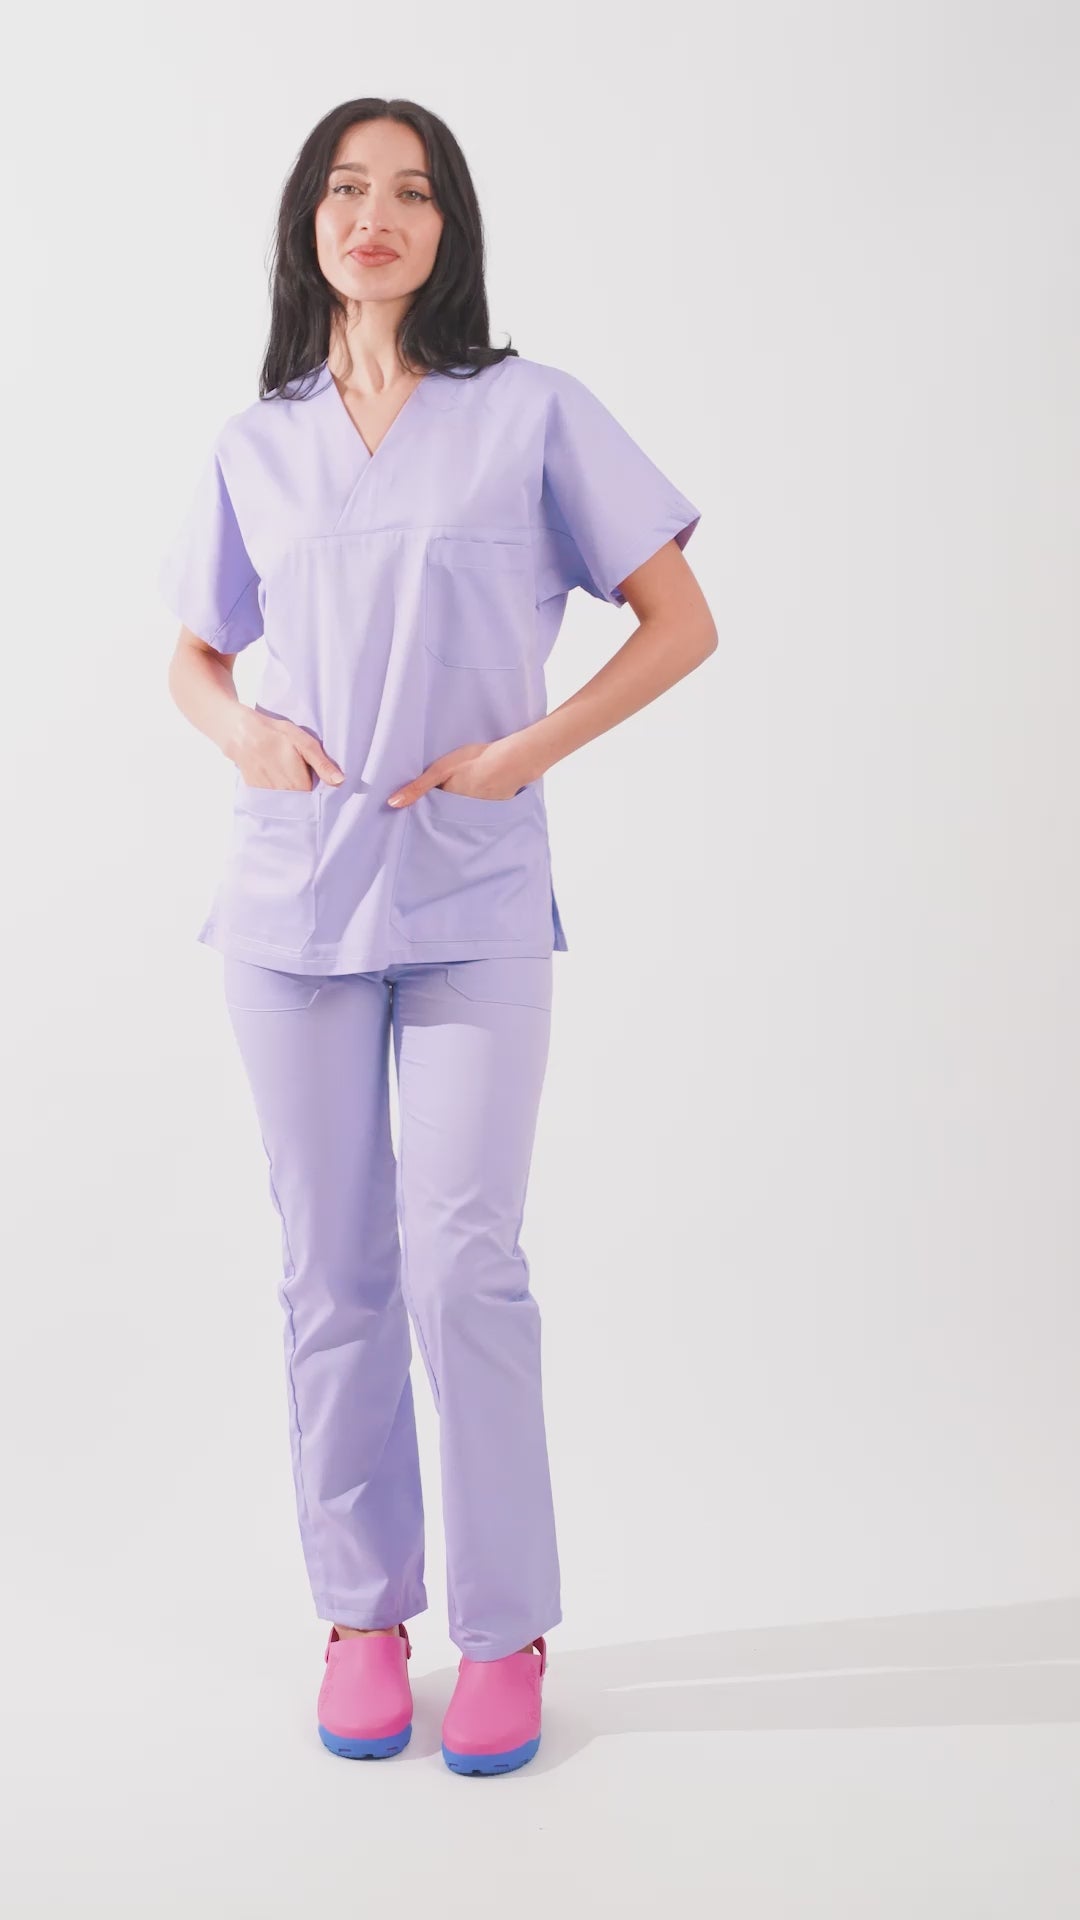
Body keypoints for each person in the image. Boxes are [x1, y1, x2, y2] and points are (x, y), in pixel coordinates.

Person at [160, 98, 716, 1776]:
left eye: (410, 191)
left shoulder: (530, 413)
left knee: (465, 1262)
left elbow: (680, 620)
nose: (375, 215)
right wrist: (246, 736)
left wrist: (524, 751)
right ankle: (359, 1617)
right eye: (347, 189)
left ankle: (504, 1631)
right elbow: (192, 656)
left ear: (449, 227)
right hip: (292, 902)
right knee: (331, 1268)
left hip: (471, 894)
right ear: (308, 225)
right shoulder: (255, 442)